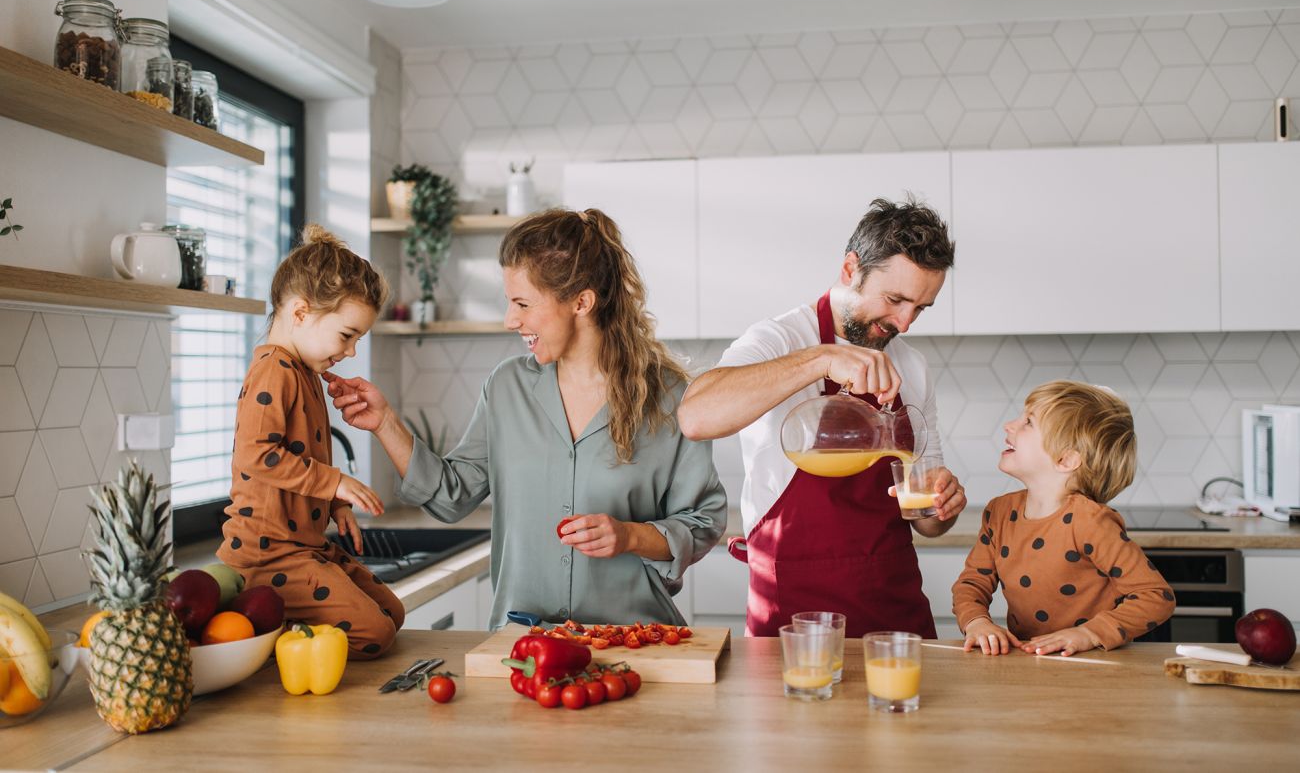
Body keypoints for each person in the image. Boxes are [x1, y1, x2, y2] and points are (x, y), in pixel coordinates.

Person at [324, 208, 727, 629]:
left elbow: (703, 521)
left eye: (522, 303)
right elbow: (451, 496)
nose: (509, 320)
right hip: (525, 643)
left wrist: (630, 536)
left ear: (581, 302)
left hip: (634, 638)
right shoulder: (506, 388)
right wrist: (385, 423)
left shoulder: (668, 398)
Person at [677, 196, 965, 639]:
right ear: (851, 269)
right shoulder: (779, 339)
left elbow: (926, 520)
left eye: (920, 308)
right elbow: (696, 416)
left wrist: (941, 506)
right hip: (793, 620)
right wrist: (821, 359)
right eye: (895, 299)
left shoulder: (912, 366)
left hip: (895, 618)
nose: (905, 323)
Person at [217, 224, 404, 659]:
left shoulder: (304, 371)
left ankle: (270, 629)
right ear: (300, 313)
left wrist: (335, 505)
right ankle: (262, 631)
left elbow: (301, 455)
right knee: (375, 633)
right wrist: (335, 482)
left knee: (392, 614)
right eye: (347, 335)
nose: (351, 351)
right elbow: (257, 454)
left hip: (303, 546)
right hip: (268, 556)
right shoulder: (273, 370)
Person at [953, 381, 1175, 656]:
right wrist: (976, 622)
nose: (1009, 425)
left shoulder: (1090, 522)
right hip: (1029, 663)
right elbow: (971, 584)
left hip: (1092, 663)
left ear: (1065, 460)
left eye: (1028, 422)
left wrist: (1088, 634)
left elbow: (1156, 596)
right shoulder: (998, 513)